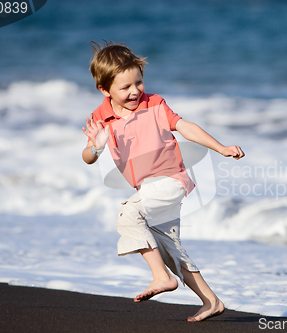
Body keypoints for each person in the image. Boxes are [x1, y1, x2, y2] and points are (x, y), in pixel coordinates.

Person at [81, 41, 245, 322]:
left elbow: (186, 127)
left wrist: (221, 148)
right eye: (125, 87)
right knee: (170, 249)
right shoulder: (101, 118)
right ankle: (211, 301)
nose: (135, 91)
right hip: (146, 187)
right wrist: (96, 147)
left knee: (128, 216)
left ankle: (161, 277)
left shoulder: (155, 104)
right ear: (104, 90)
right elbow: (87, 157)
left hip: (170, 180)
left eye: (139, 82)